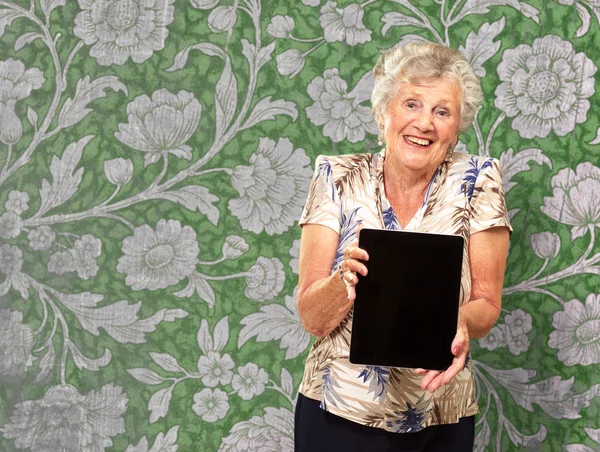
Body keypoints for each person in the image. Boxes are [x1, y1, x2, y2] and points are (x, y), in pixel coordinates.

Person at [294, 42, 512, 451]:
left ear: (457, 126)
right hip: (339, 407)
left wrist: (461, 322)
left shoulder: (479, 179)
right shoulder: (337, 176)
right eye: (411, 104)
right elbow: (312, 318)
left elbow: (487, 302)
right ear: (384, 113)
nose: (425, 123)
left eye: (442, 111)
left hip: (440, 410)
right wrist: (344, 280)